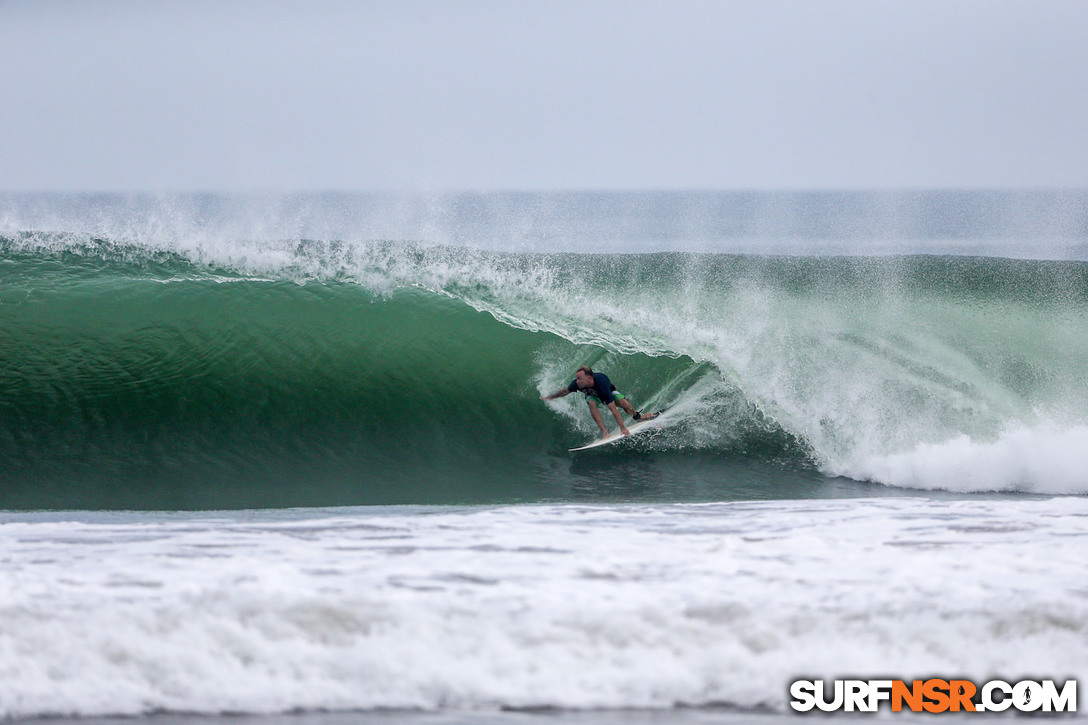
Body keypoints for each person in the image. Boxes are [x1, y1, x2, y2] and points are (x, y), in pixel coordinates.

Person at [541, 365, 658, 438]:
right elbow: (564, 391)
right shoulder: (577, 384)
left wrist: (623, 427)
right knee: (591, 402)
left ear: (589, 378)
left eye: (579, 378)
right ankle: (605, 432)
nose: (577, 381)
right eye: (576, 378)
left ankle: (638, 416)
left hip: (608, 392)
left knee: (623, 403)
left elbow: (613, 409)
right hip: (592, 396)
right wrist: (550, 397)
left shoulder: (602, 382)